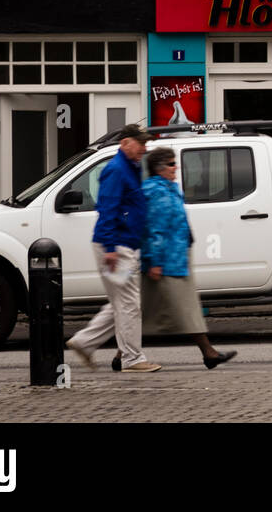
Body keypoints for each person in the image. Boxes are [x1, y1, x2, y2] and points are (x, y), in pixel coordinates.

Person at [67, 124, 160, 372]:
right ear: (125, 143)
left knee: (120, 302)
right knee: (129, 303)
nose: (144, 148)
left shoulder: (129, 167)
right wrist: (110, 248)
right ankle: (132, 358)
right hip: (117, 246)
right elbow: (107, 209)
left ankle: (84, 342)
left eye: (145, 144)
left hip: (121, 243)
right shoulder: (117, 170)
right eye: (140, 143)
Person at [140, 146, 237, 369]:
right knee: (186, 310)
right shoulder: (157, 192)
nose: (176, 168)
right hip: (167, 262)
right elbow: (155, 229)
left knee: (145, 312)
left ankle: (120, 354)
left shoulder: (170, 189)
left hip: (175, 258)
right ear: (159, 168)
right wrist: (155, 261)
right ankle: (209, 353)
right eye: (172, 164)